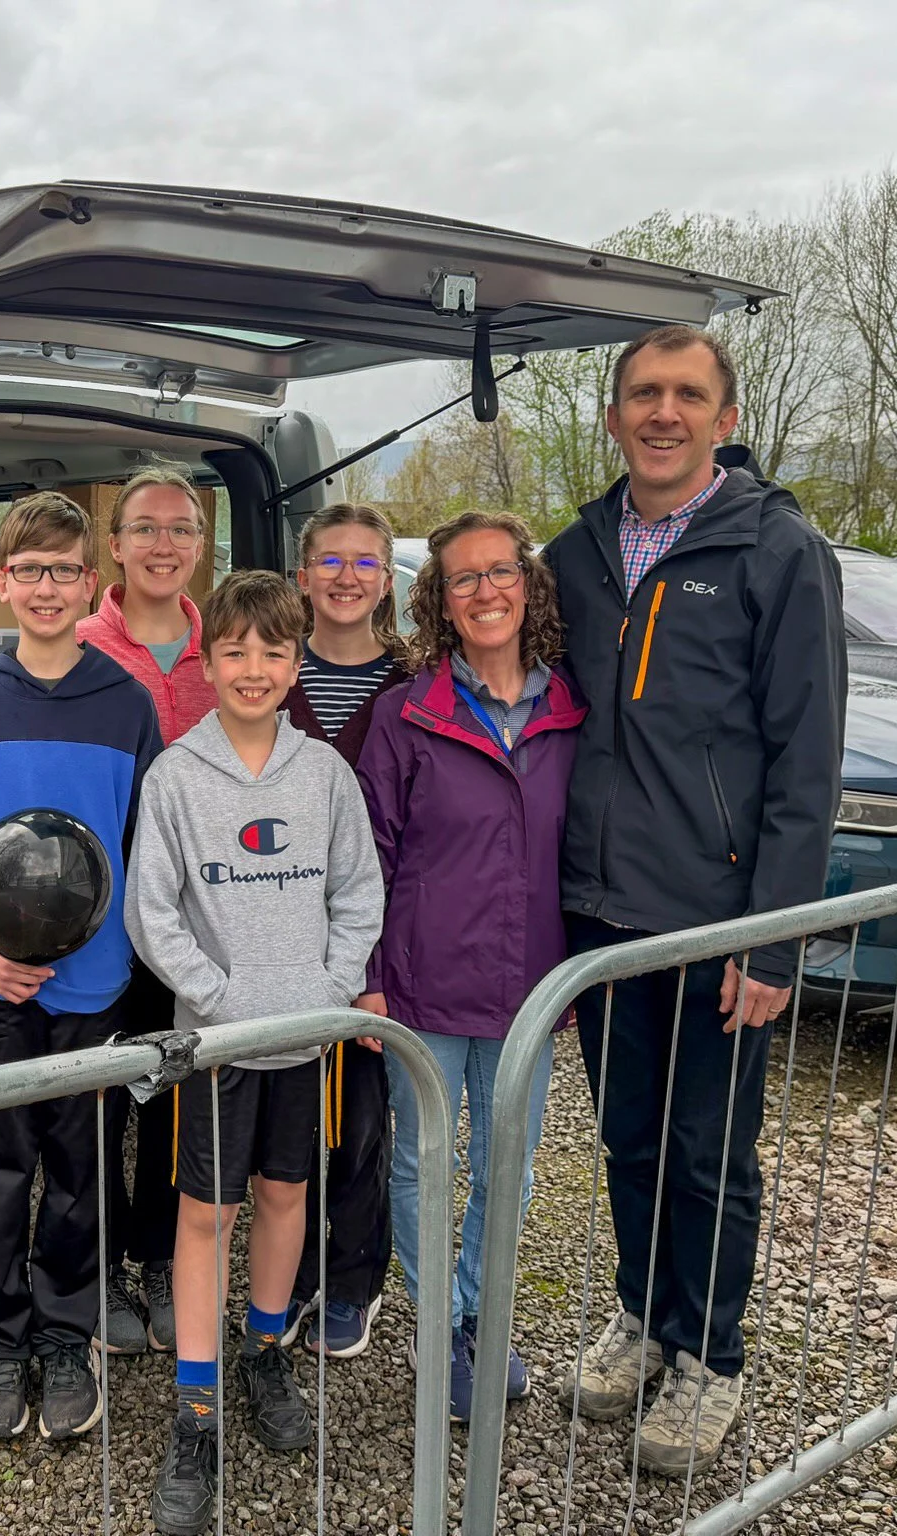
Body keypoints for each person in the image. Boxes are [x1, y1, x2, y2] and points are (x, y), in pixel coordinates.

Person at [546, 324, 844, 1476]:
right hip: (600, 915)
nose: (660, 413)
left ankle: (708, 1356)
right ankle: (641, 1316)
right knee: (625, 1140)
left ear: (723, 418)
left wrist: (772, 943)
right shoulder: (574, 551)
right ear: (613, 415)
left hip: (718, 920)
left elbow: (803, 759)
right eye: (640, 394)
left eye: (685, 394)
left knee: (708, 1149)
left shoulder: (775, 549)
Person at [125, 571, 385, 1536]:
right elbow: (153, 915)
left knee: (285, 1195)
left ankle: (264, 1348)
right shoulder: (176, 780)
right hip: (220, 1046)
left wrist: (326, 989)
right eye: (234, 649)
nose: (254, 668)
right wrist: (223, 1000)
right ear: (209, 658)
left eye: (275, 652)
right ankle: (195, 1409)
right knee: (208, 1214)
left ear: (294, 662)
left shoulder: (324, 776)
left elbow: (358, 893)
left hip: (305, 1035)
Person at [0, 491, 163, 1443]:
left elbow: (153, 849)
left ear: (92, 585)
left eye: (66, 571)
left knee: (83, 1167)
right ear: (1, 582)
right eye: (30, 571)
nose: (48, 587)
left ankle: (67, 1332)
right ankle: (0, 1336)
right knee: (4, 1164)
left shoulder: (129, 707)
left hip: (95, 988)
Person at [355, 510, 587, 1422]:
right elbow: (365, 854)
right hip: (423, 981)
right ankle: (441, 1326)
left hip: (532, 982)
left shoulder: (572, 709)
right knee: (420, 1162)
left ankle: (481, 1315)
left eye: (502, 573)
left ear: (527, 587)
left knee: (509, 1167)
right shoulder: (405, 714)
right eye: (464, 579)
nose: (486, 591)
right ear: (439, 602)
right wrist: (369, 974)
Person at [76, 464, 219, 1355]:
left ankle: (167, 1261)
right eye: (146, 529)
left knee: (179, 1102)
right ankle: (99, 1269)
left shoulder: (230, 648)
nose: (164, 545)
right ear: (116, 546)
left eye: (182, 529)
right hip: (98, 926)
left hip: (198, 926)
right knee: (100, 1101)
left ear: (202, 548)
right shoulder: (78, 645)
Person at [279, 503, 408, 1361]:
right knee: (286, 1116)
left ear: (388, 580)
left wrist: (382, 954)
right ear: (303, 577)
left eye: (366, 562)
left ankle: (352, 1277)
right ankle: (283, 1275)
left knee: (362, 1118)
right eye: (330, 560)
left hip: (384, 935)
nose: (347, 576)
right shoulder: (270, 674)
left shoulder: (417, 682)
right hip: (281, 931)